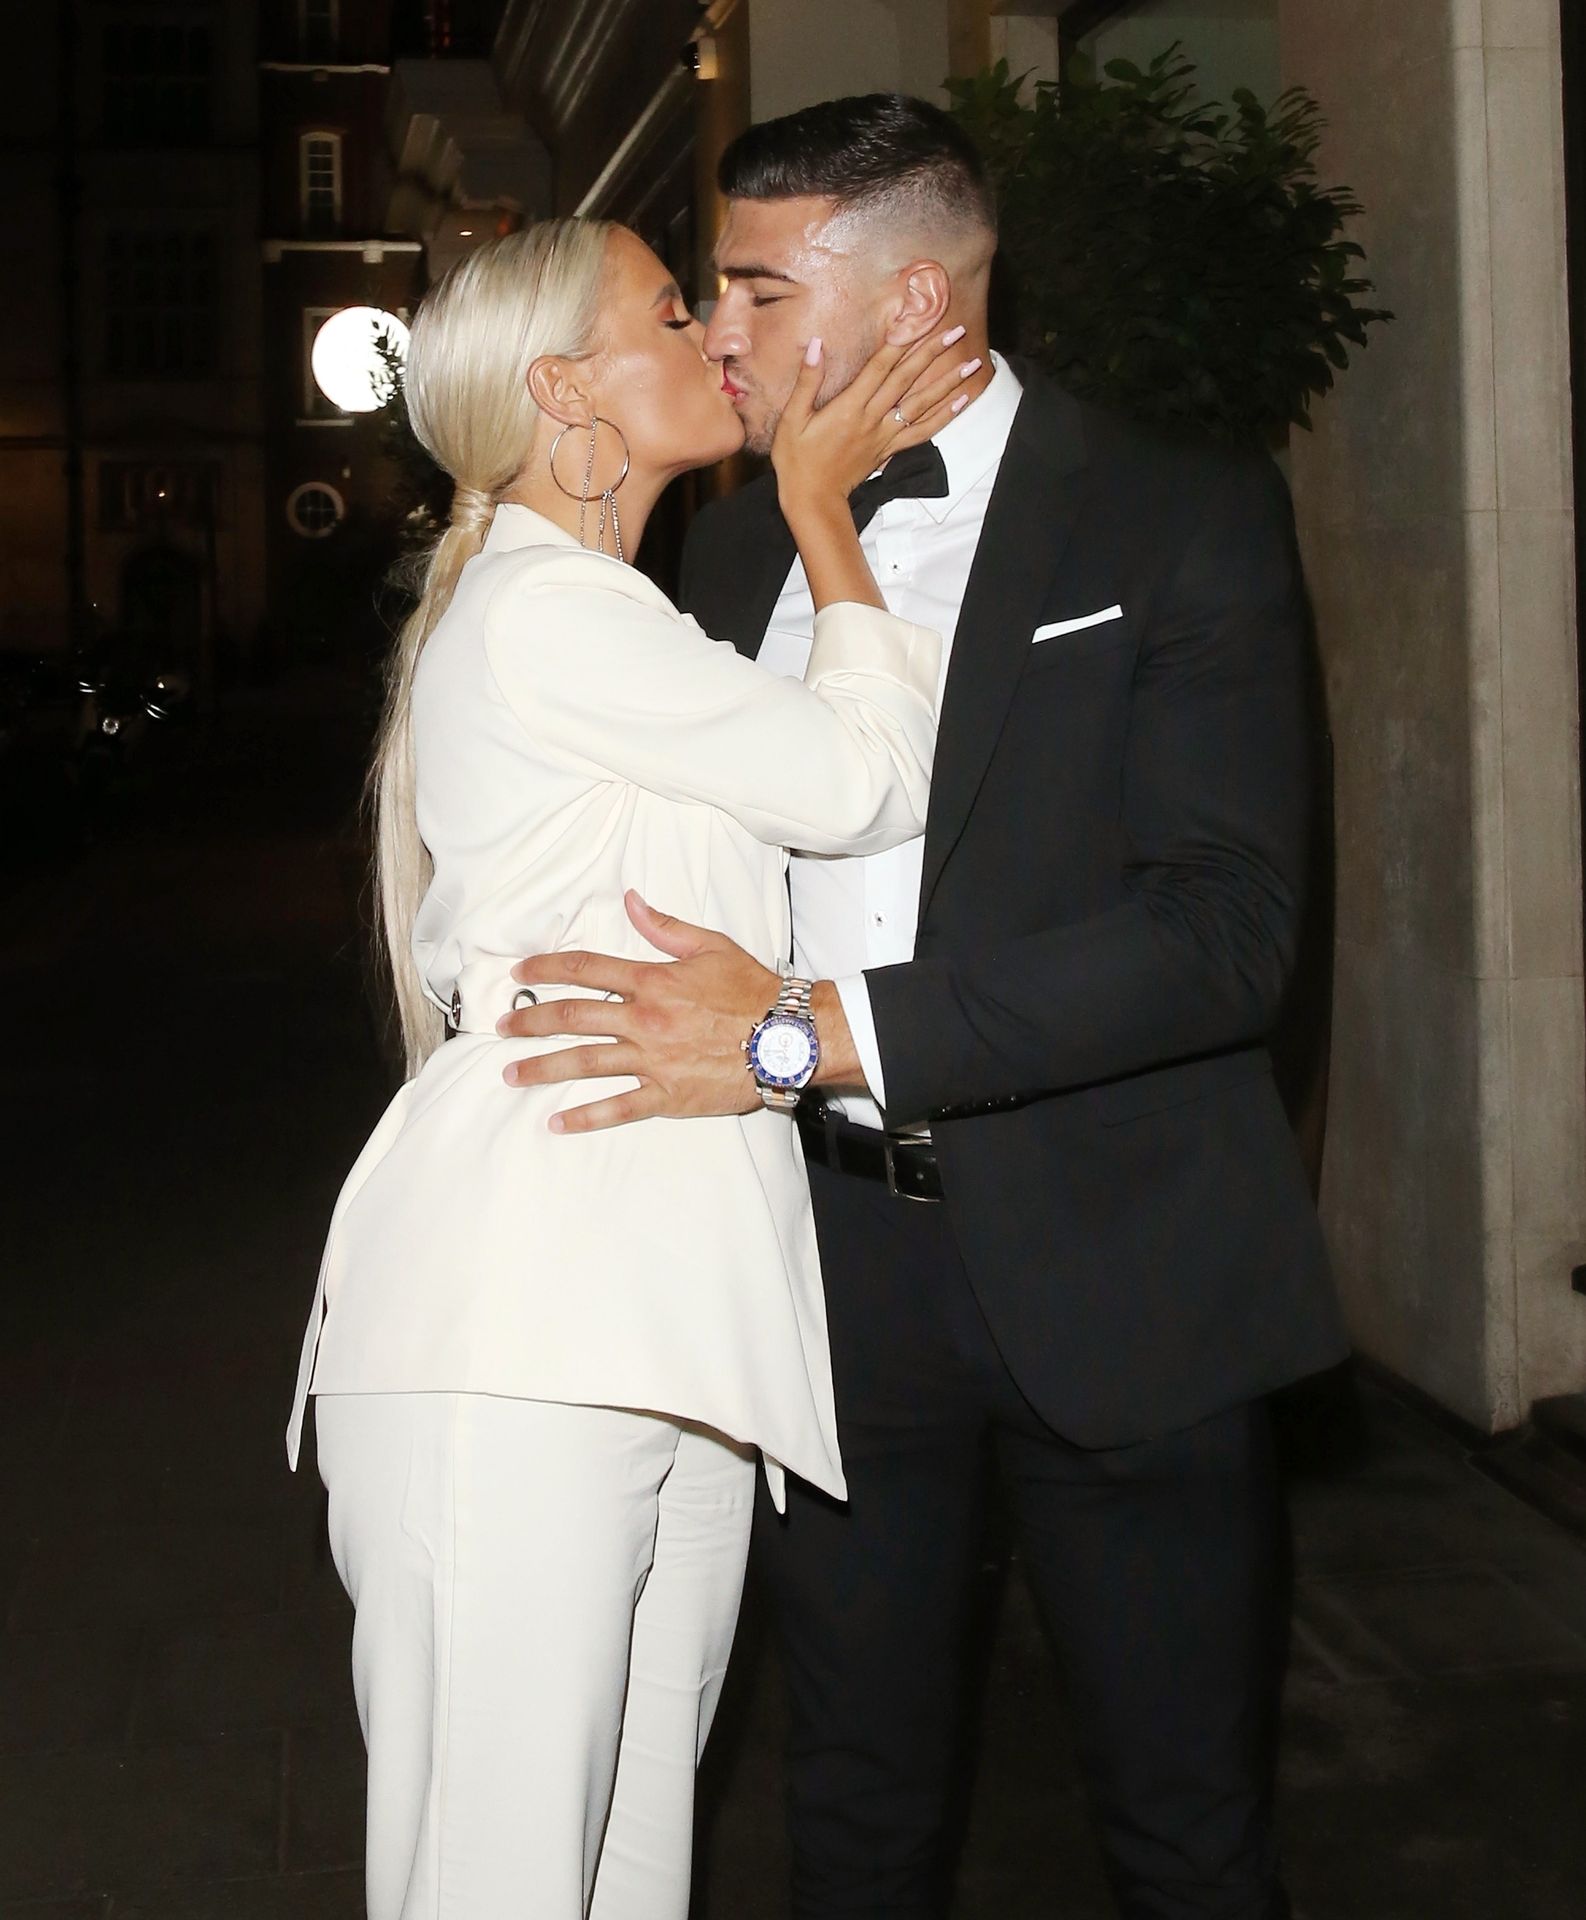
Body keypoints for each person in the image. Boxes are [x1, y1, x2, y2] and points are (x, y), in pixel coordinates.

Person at [500, 97, 1350, 1919]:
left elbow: (1224, 934)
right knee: (852, 1812)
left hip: (1123, 1263)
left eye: (756, 288)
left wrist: (807, 1030)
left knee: (1188, 1828)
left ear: (910, 300)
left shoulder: (1176, 509)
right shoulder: (731, 556)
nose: (719, 332)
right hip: (821, 1269)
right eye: (710, 292)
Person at [284, 215, 978, 1919]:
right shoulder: (547, 612)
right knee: (499, 1884)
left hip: (663, 1313)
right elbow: (864, 782)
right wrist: (820, 508)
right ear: (564, 394)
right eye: (671, 315)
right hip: (523, 1324)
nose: (714, 338)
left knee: (629, 1874)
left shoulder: (607, 618)